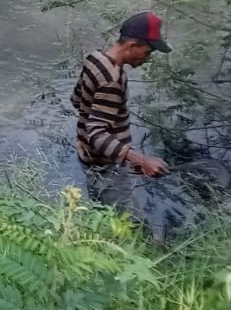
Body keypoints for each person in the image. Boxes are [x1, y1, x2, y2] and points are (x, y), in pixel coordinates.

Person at [71, 11, 171, 217]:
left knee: (102, 215)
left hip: (88, 157)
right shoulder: (113, 79)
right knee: (132, 227)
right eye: (147, 52)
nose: (147, 59)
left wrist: (125, 157)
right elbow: (96, 133)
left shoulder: (95, 59)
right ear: (132, 45)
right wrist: (140, 160)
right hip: (107, 167)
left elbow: (76, 100)